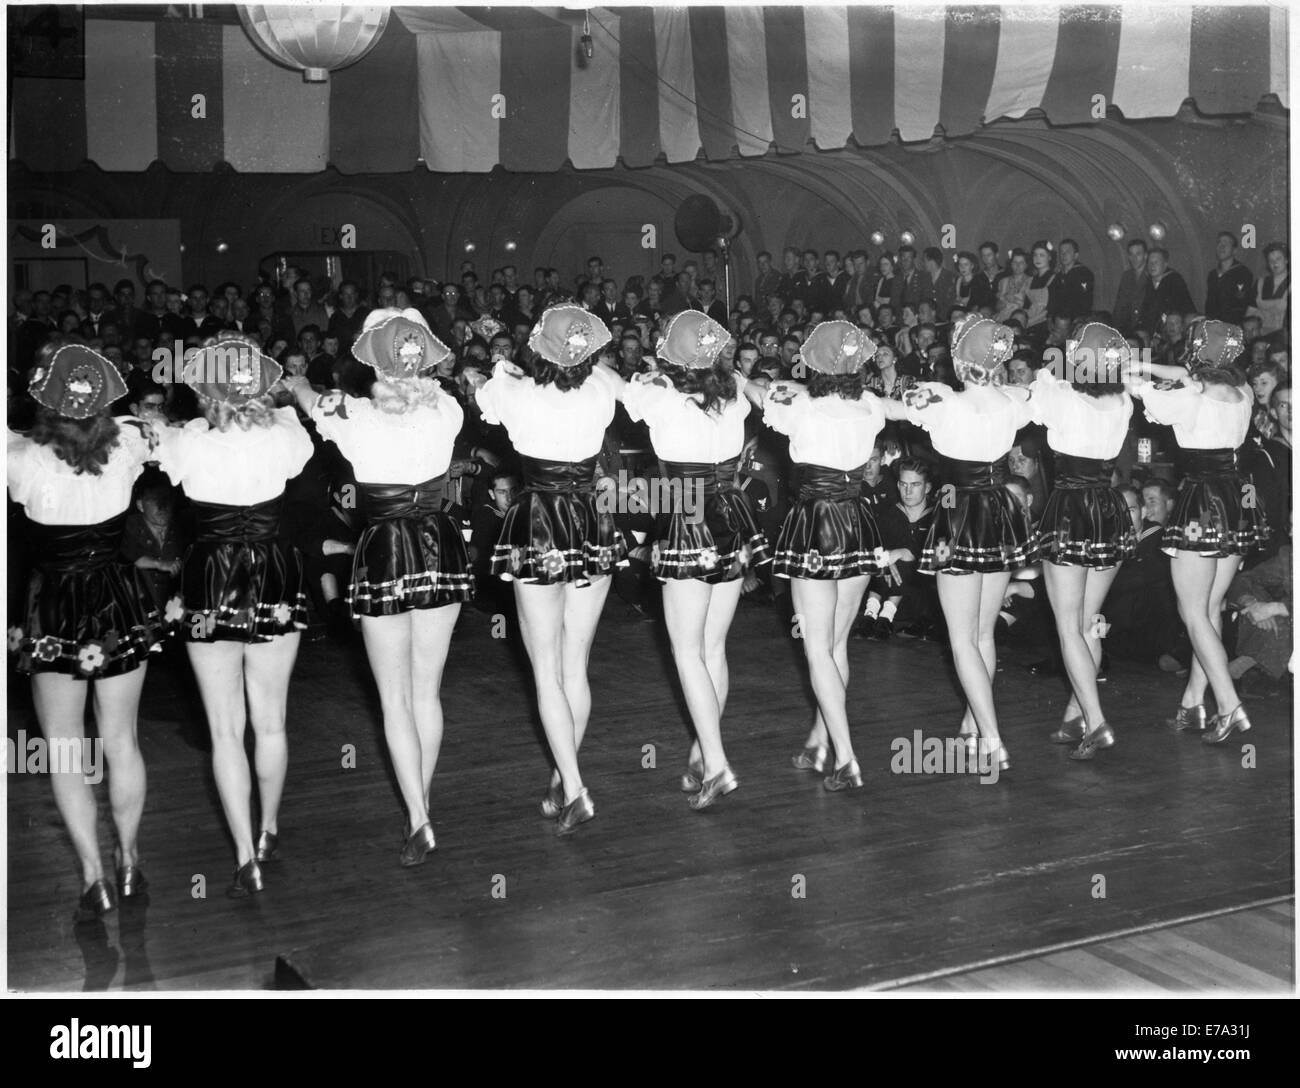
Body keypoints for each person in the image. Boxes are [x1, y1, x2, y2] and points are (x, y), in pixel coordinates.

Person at [289, 309, 474, 867]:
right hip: (439, 544)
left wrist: (296, 381)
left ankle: (418, 816)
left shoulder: (353, 416)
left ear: (370, 359)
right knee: (426, 691)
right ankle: (423, 801)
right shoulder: (449, 409)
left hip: (386, 551)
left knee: (393, 697)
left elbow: (307, 395)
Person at [8, 343, 166, 919]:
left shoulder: (17, 457)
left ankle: (93, 875)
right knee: (121, 740)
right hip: (117, 596)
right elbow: (155, 429)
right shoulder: (127, 444)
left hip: (53, 605)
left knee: (65, 749)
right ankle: (128, 858)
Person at [154, 335, 313, 897]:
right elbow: (298, 436)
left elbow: (156, 447)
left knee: (225, 729)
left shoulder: (187, 441)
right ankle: (268, 827)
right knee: (271, 719)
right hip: (274, 570)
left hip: (209, 577)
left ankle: (246, 852)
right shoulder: (286, 434)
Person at [468, 305, 625, 834]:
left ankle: (575, 785)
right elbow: (599, 372)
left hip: (540, 520)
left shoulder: (520, 395)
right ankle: (564, 777)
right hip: (589, 517)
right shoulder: (602, 387)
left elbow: (489, 399)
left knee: (545, 668)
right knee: (574, 662)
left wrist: (498, 359)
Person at [623, 311, 770, 809]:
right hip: (730, 510)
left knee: (687, 651)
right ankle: (702, 755)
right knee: (712, 648)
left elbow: (616, 390)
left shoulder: (660, 395)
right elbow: (741, 383)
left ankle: (718, 762)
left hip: (686, 510)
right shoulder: (732, 392)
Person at [757, 321, 905, 789]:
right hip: (857, 521)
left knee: (818, 648)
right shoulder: (869, 405)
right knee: (837, 645)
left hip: (817, 523)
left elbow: (758, 393)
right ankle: (821, 740)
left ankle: (846, 756)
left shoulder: (802, 407)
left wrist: (736, 376)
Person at [1124, 319, 1269, 743]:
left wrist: (1129, 370)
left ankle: (1229, 705)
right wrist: (1148, 365)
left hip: (1202, 501)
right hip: (1237, 497)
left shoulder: (1190, 396)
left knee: (1193, 612)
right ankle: (1194, 702)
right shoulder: (1241, 393)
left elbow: (1146, 391)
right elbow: (1190, 377)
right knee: (1211, 609)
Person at [900, 316, 1034, 770]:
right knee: (982, 631)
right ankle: (974, 726)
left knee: (962, 638)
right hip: (998, 511)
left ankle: (993, 739)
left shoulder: (945, 402)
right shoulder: (1011, 400)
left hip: (959, 514)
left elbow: (898, 407)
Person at [1027, 324, 1136, 759]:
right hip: (1108, 506)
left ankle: (1096, 721)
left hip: (1072, 506)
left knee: (1070, 624)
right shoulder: (1123, 401)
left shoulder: (1063, 397)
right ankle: (1076, 714)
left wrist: (1047, 374)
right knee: (1088, 620)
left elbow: (1038, 397)